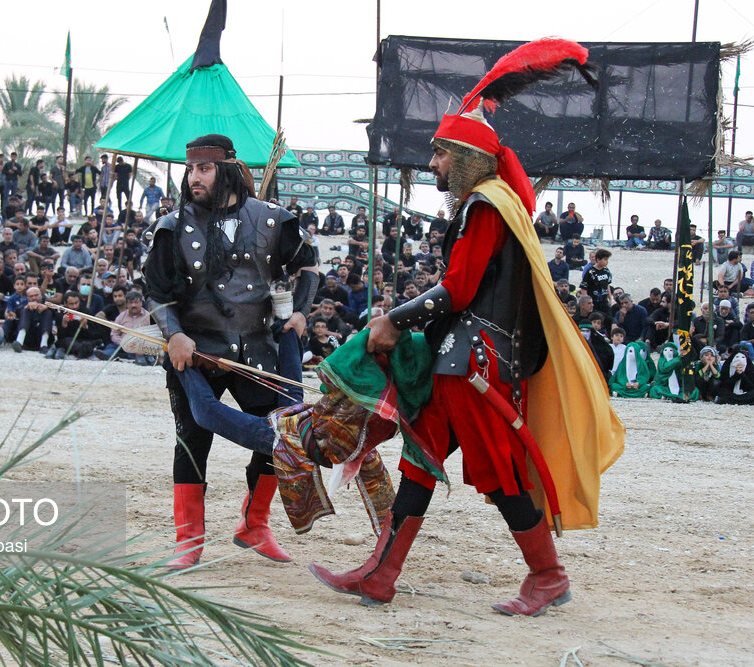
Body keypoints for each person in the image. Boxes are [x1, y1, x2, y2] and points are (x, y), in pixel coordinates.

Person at [309, 40, 622, 616]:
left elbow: (457, 289)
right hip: (460, 360)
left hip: (472, 365)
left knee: (498, 474)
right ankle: (381, 575)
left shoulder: (485, 206)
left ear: (468, 156)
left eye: (441, 155)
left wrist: (393, 320)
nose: (433, 165)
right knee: (420, 464)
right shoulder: (488, 202)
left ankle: (548, 576)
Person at [144, 133, 319, 570]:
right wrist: (174, 334)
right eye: (190, 170)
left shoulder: (273, 220)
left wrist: (299, 313)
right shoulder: (171, 226)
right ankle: (189, 541)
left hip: (258, 348)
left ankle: (254, 525)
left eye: (203, 169)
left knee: (278, 435)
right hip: (195, 354)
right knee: (191, 441)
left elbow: (308, 267)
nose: (193, 178)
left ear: (226, 170)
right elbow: (155, 292)